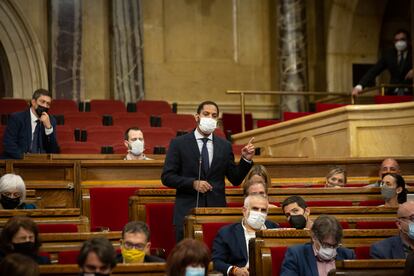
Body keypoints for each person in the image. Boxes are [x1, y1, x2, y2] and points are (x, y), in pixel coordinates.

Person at [161, 100, 255, 242]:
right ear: (197, 117)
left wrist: (245, 160)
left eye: (214, 115)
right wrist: (192, 183)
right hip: (187, 211)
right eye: (206, 114)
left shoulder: (224, 146)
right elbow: (167, 177)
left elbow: (235, 179)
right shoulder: (179, 143)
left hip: (216, 212)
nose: (210, 118)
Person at [212, 194, 279, 275]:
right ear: (244, 210)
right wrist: (234, 270)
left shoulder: (275, 228)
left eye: (263, 210)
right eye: (255, 209)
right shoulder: (227, 232)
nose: (259, 213)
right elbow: (217, 262)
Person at [281, 215, 355, 276]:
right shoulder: (296, 255)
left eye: (334, 246)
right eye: (326, 245)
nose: (330, 250)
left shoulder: (348, 255)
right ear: (314, 237)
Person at [352, 29, 413, 96]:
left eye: (402, 39)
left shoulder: (412, 53)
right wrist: (359, 86)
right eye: (396, 40)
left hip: (411, 92)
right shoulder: (389, 55)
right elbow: (374, 71)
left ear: (408, 41)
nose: (399, 42)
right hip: (393, 92)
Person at [2, 89, 59, 159]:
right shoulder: (17, 118)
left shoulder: (51, 121)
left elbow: (54, 151)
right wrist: (25, 158)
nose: (45, 106)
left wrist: (48, 128)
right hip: (18, 161)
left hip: (41, 164)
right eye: (42, 102)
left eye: (48, 104)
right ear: (33, 102)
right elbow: (9, 144)